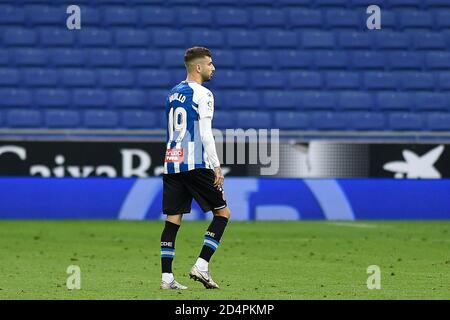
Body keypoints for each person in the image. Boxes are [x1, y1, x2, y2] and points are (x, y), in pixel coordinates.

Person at [160, 47, 231, 290]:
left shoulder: (172, 93)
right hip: (195, 163)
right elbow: (206, 134)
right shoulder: (204, 94)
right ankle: (201, 266)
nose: (214, 68)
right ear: (198, 67)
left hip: (172, 162)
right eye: (210, 64)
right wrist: (217, 166)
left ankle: (167, 278)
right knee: (222, 213)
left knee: (173, 219)